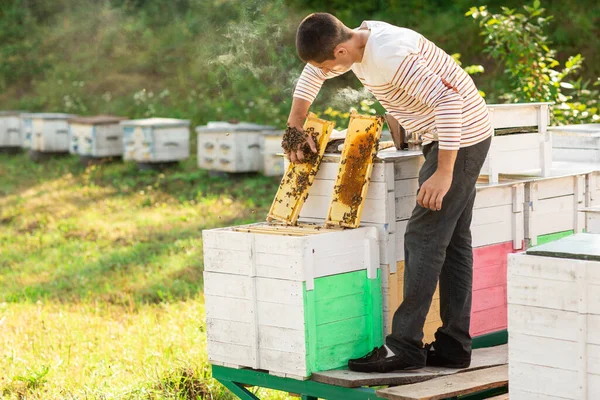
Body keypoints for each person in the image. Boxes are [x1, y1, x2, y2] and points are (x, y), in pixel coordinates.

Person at [283, 13, 493, 373]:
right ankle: (454, 346)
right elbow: (314, 71)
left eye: (328, 63)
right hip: (448, 137)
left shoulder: (390, 57)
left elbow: (449, 102)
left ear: (340, 49)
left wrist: (444, 172)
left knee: (423, 237)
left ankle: (405, 347)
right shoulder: (359, 40)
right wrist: (294, 127)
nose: (326, 72)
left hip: (460, 139)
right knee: (454, 241)